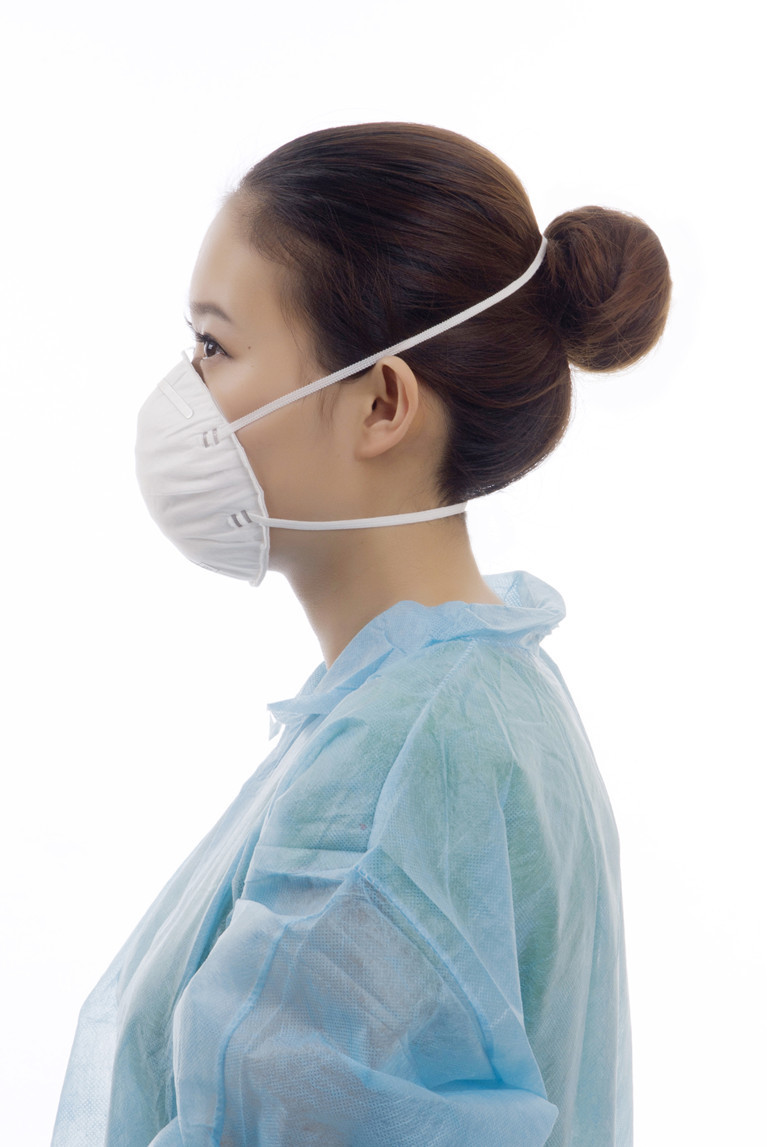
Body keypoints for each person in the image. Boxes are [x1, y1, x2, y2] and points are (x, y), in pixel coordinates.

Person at [52, 122, 670, 1146]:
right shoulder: (476, 698)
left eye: (214, 346)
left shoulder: (400, 768)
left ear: (381, 403)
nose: (181, 391)